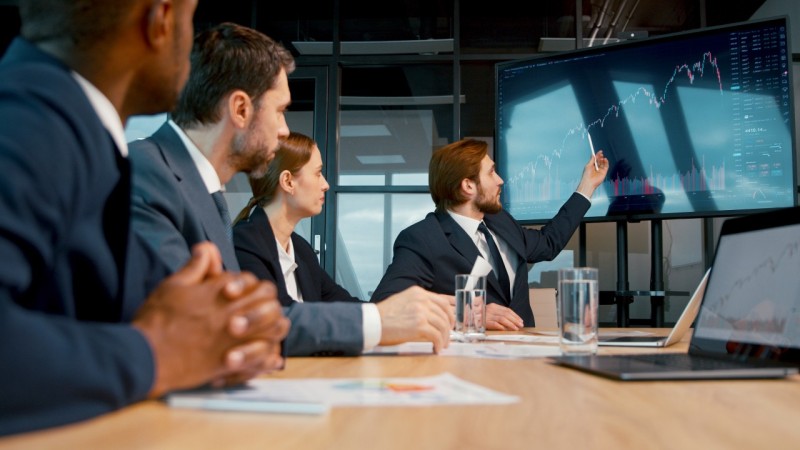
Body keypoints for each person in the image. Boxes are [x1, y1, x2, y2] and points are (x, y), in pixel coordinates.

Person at [0, 0, 289, 437]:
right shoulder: (32, 123)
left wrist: (225, 331)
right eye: (189, 20)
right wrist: (155, 354)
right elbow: (157, 337)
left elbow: (154, 310)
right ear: (160, 20)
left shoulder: (81, 129)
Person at [129, 23, 453, 357]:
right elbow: (208, 325)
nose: (284, 130)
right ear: (240, 109)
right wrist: (377, 321)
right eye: (281, 110)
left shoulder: (200, 191)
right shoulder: (148, 177)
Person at [370, 138, 608, 330]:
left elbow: (548, 243)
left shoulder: (499, 221)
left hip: (527, 358)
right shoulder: (423, 239)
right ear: (468, 186)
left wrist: (587, 186)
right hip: (468, 368)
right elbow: (385, 306)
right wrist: (471, 315)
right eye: (492, 172)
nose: (500, 180)